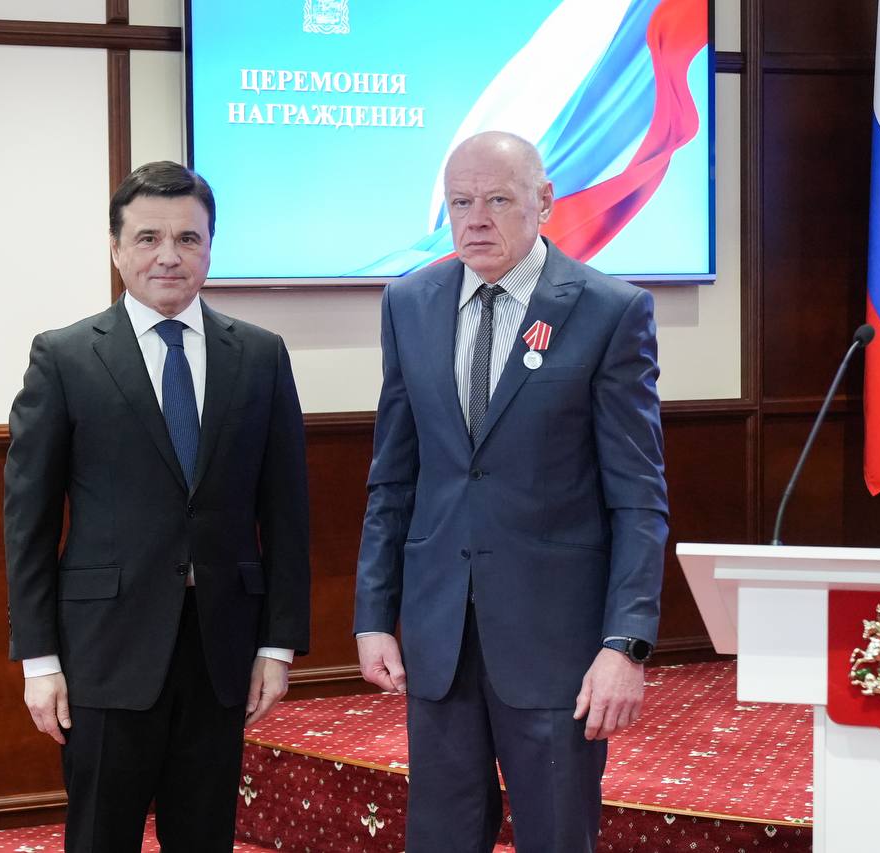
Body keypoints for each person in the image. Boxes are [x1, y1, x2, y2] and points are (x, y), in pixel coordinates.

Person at [353, 131, 668, 852]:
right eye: (460, 202)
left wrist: (625, 643)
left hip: (556, 643)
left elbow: (639, 496)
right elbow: (393, 476)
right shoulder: (409, 303)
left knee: (556, 835)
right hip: (440, 636)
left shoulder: (609, 310)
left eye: (497, 200)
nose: (475, 220)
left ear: (543, 200)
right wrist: (373, 614)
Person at [4, 160, 311, 852]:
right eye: (147, 238)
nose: (168, 255)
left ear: (210, 248)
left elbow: (287, 510)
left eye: (187, 238)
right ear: (116, 249)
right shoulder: (65, 357)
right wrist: (39, 660)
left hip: (222, 648)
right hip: (104, 652)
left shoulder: (259, 356)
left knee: (204, 837)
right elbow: (28, 522)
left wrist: (278, 643)